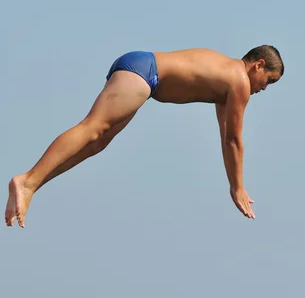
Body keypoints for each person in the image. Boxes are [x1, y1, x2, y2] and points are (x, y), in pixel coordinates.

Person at [4, 45, 284, 228]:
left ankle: (31, 186)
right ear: (258, 65)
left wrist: (233, 182)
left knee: (97, 143)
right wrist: (238, 188)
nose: (265, 88)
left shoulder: (228, 81)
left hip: (141, 70)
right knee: (93, 128)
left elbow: (226, 137)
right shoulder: (239, 81)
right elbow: (234, 141)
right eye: (269, 80)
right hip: (144, 72)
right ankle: (26, 181)